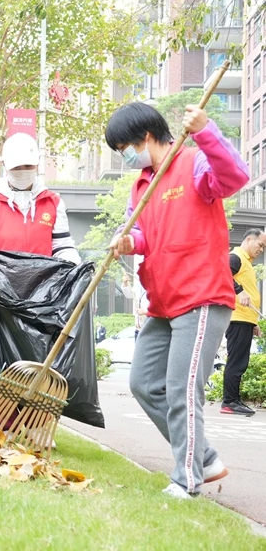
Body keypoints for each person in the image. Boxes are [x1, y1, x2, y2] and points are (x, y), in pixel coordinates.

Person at [107, 101, 248, 500]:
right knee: (143, 383)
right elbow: (142, 233)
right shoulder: (142, 185)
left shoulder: (194, 162)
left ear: (145, 136)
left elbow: (234, 177)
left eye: (123, 148)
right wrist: (128, 241)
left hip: (200, 296)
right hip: (163, 301)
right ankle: (205, 458)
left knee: (181, 390)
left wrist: (206, 130)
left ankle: (187, 480)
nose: (124, 156)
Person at [0, 132, 81, 382]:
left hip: (39, 305)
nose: (23, 171)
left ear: (36, 165)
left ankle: (35, 410)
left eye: (27, 166)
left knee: (36, 376)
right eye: (17, 167)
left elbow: (62, 246)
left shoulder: (53, 203)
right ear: (5, 166)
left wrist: (75, 267)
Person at [222, 228, 266, 416]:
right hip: (237, 319)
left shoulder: (246, 262)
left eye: (263, 248)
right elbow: (221, 272)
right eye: (260, 245)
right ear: (249, 239)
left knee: (241, 361)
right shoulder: (236, 257)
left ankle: (234, 399)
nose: (261, 250)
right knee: (237, 362)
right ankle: (229, 402)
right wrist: (239, 291)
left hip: (245, 319)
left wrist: (253, 322)